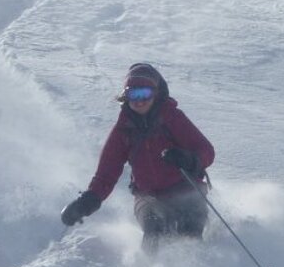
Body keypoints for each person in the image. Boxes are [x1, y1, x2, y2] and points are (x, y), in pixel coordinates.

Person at [61, 62, 215, 253]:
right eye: (134, 95)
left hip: (186, 190)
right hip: (149, 197)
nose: (139, 101)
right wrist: (87, 201)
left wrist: (189, 158)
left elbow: (206, 150)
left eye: (145, 94)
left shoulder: (172, 118)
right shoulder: (123, 131)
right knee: (154, 230)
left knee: (189, 229)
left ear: (155, 94)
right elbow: (106, 174)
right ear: (126, 96)